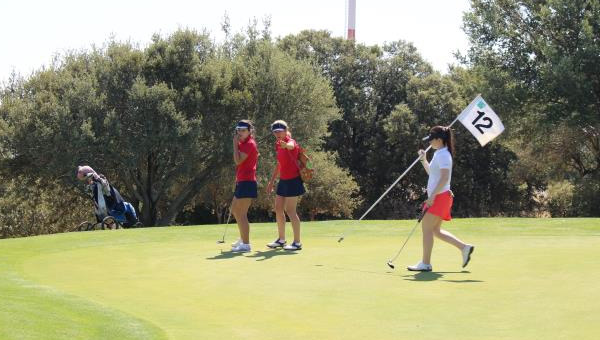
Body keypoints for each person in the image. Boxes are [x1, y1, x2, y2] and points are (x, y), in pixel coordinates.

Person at [407, 126, 474, 272]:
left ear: (439, 139)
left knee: (427, 229)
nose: (429, 142)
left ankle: (425, 263)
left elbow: (444, 178)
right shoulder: (439, 153)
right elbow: (433, 174)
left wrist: (432, 196)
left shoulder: (444, 155)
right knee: (435, 231)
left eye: (431, 139)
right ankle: (464, 248)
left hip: (439, 197)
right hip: (441, 196)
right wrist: (423, 160)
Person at [266, 120, 305, 251]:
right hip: (283, 181)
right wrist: (271, 182)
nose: (277, 134)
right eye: (275, 132)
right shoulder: (278, 144)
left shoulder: (291, 141)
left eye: (280, 131)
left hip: (293, 180)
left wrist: (286, 145)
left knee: (290, 211)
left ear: (285, 130)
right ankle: (281, 240)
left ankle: (297, 242)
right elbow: (279, 164)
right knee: (278, 208)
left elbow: (291, 146)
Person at [230, 120, 259, 252]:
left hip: (248, 181)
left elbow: (237, 160)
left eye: (243, 130)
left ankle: (246, 244)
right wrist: (237, 144)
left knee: (241, 214)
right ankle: (242, 238)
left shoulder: (249, 144)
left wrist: (235, 145)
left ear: (249, 131)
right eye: (238, 130)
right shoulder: (243, 143)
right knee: (235, 210)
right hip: (242, 181)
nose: (240, 133)